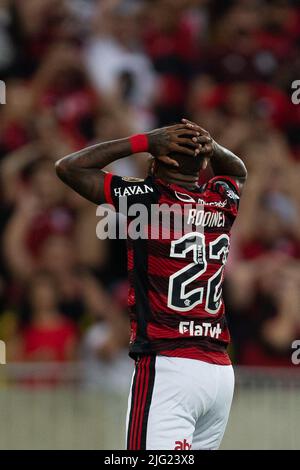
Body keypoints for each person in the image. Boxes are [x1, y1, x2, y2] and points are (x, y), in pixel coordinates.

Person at [55, 118, 247, 450]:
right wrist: (211, 146)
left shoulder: (147, 199)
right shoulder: (221, 199)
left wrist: (143, 140)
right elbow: (238, 171)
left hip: (170, 368)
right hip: (218, 373)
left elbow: (69, 168)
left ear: (161, 160)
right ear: (202, 165)